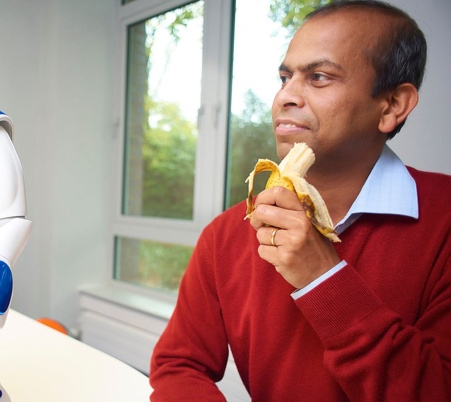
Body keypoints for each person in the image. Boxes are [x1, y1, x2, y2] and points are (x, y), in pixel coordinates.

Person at [149, 1, 451, 401]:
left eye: (320, 77)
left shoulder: (444, 222)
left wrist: (323, 278)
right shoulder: (225, 235)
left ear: (392, 105)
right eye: (284, 76)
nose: (285, 97)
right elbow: (177, 365)